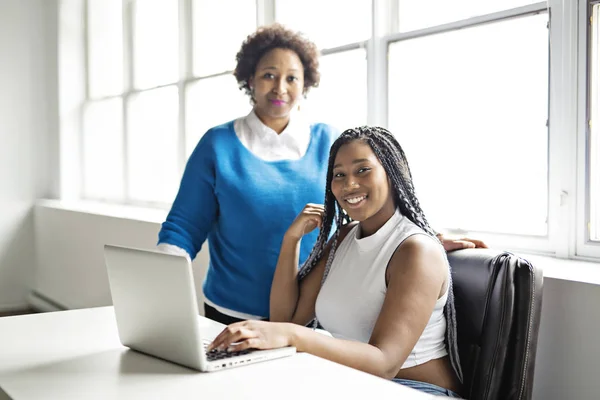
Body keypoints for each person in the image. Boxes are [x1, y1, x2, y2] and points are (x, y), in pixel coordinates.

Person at [158, 23, 486, 326]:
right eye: (269, 75)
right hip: (230, 313)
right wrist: (160, 295)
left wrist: (425, 236)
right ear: (250, 80)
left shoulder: (330, 141)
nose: (280, 87)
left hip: (310, 311)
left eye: (292, 78)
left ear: (305, 85)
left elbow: (372, 200)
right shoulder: (218, 144)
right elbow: (183, 227)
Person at [208, 127, 464, 398]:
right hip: (355, 383)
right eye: (339, 175)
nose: (349, 184)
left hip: (417, 390)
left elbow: (385, 362)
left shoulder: (415, 251)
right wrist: (290, 241)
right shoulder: (343, 237)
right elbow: (286, 319)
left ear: (392, 172)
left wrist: (292, 337)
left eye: (362, 170)